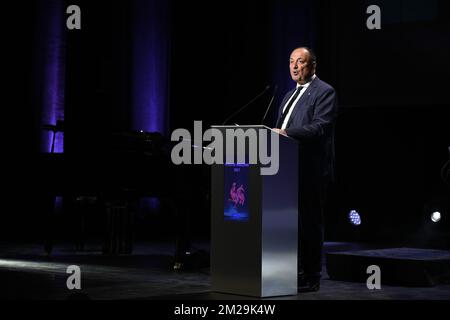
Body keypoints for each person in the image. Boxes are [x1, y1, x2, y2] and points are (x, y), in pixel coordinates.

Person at [273, 47, 338, 292]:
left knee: (309, 224)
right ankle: (292, 271)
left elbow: (319, 128)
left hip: (310, 170)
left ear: (313, 66)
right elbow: (277, 130)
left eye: (300, 62)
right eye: (291, 61)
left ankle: (311, 276)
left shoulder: (325, 92)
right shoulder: (287, 95)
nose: (295, 66)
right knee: (289, 224)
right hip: (285, 169)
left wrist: (285, 132)